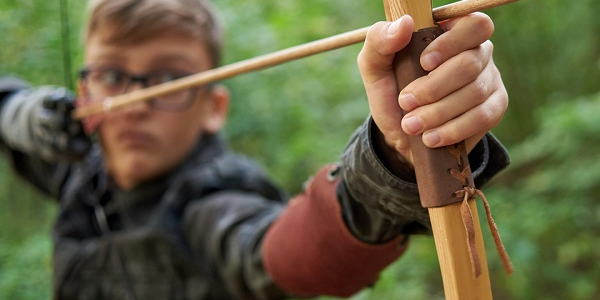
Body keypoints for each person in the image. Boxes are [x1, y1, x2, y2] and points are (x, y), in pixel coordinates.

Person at [0, 0, 509, 299]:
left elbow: (284, 253)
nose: (133, 104)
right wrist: (17, 111)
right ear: (84, 94)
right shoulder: (78, 168)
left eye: (169, 79)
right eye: (112, 75)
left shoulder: (212, 198)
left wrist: (396, 153)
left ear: (214, 107)